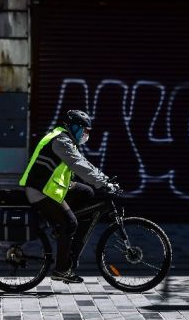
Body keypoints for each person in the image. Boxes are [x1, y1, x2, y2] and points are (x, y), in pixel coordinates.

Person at [19, 110, 120, 284]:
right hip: (40, 190)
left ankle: (61, 227)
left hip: (52, 188)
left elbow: (83, 162)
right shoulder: (60, 140)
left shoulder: (67, 140)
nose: (87, 134)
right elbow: (78, 165)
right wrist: (103, 184)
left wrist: (104, 179)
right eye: (85, 130)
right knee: (71, 223)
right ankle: (61, 269)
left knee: (87, 192)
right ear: (74, 127)